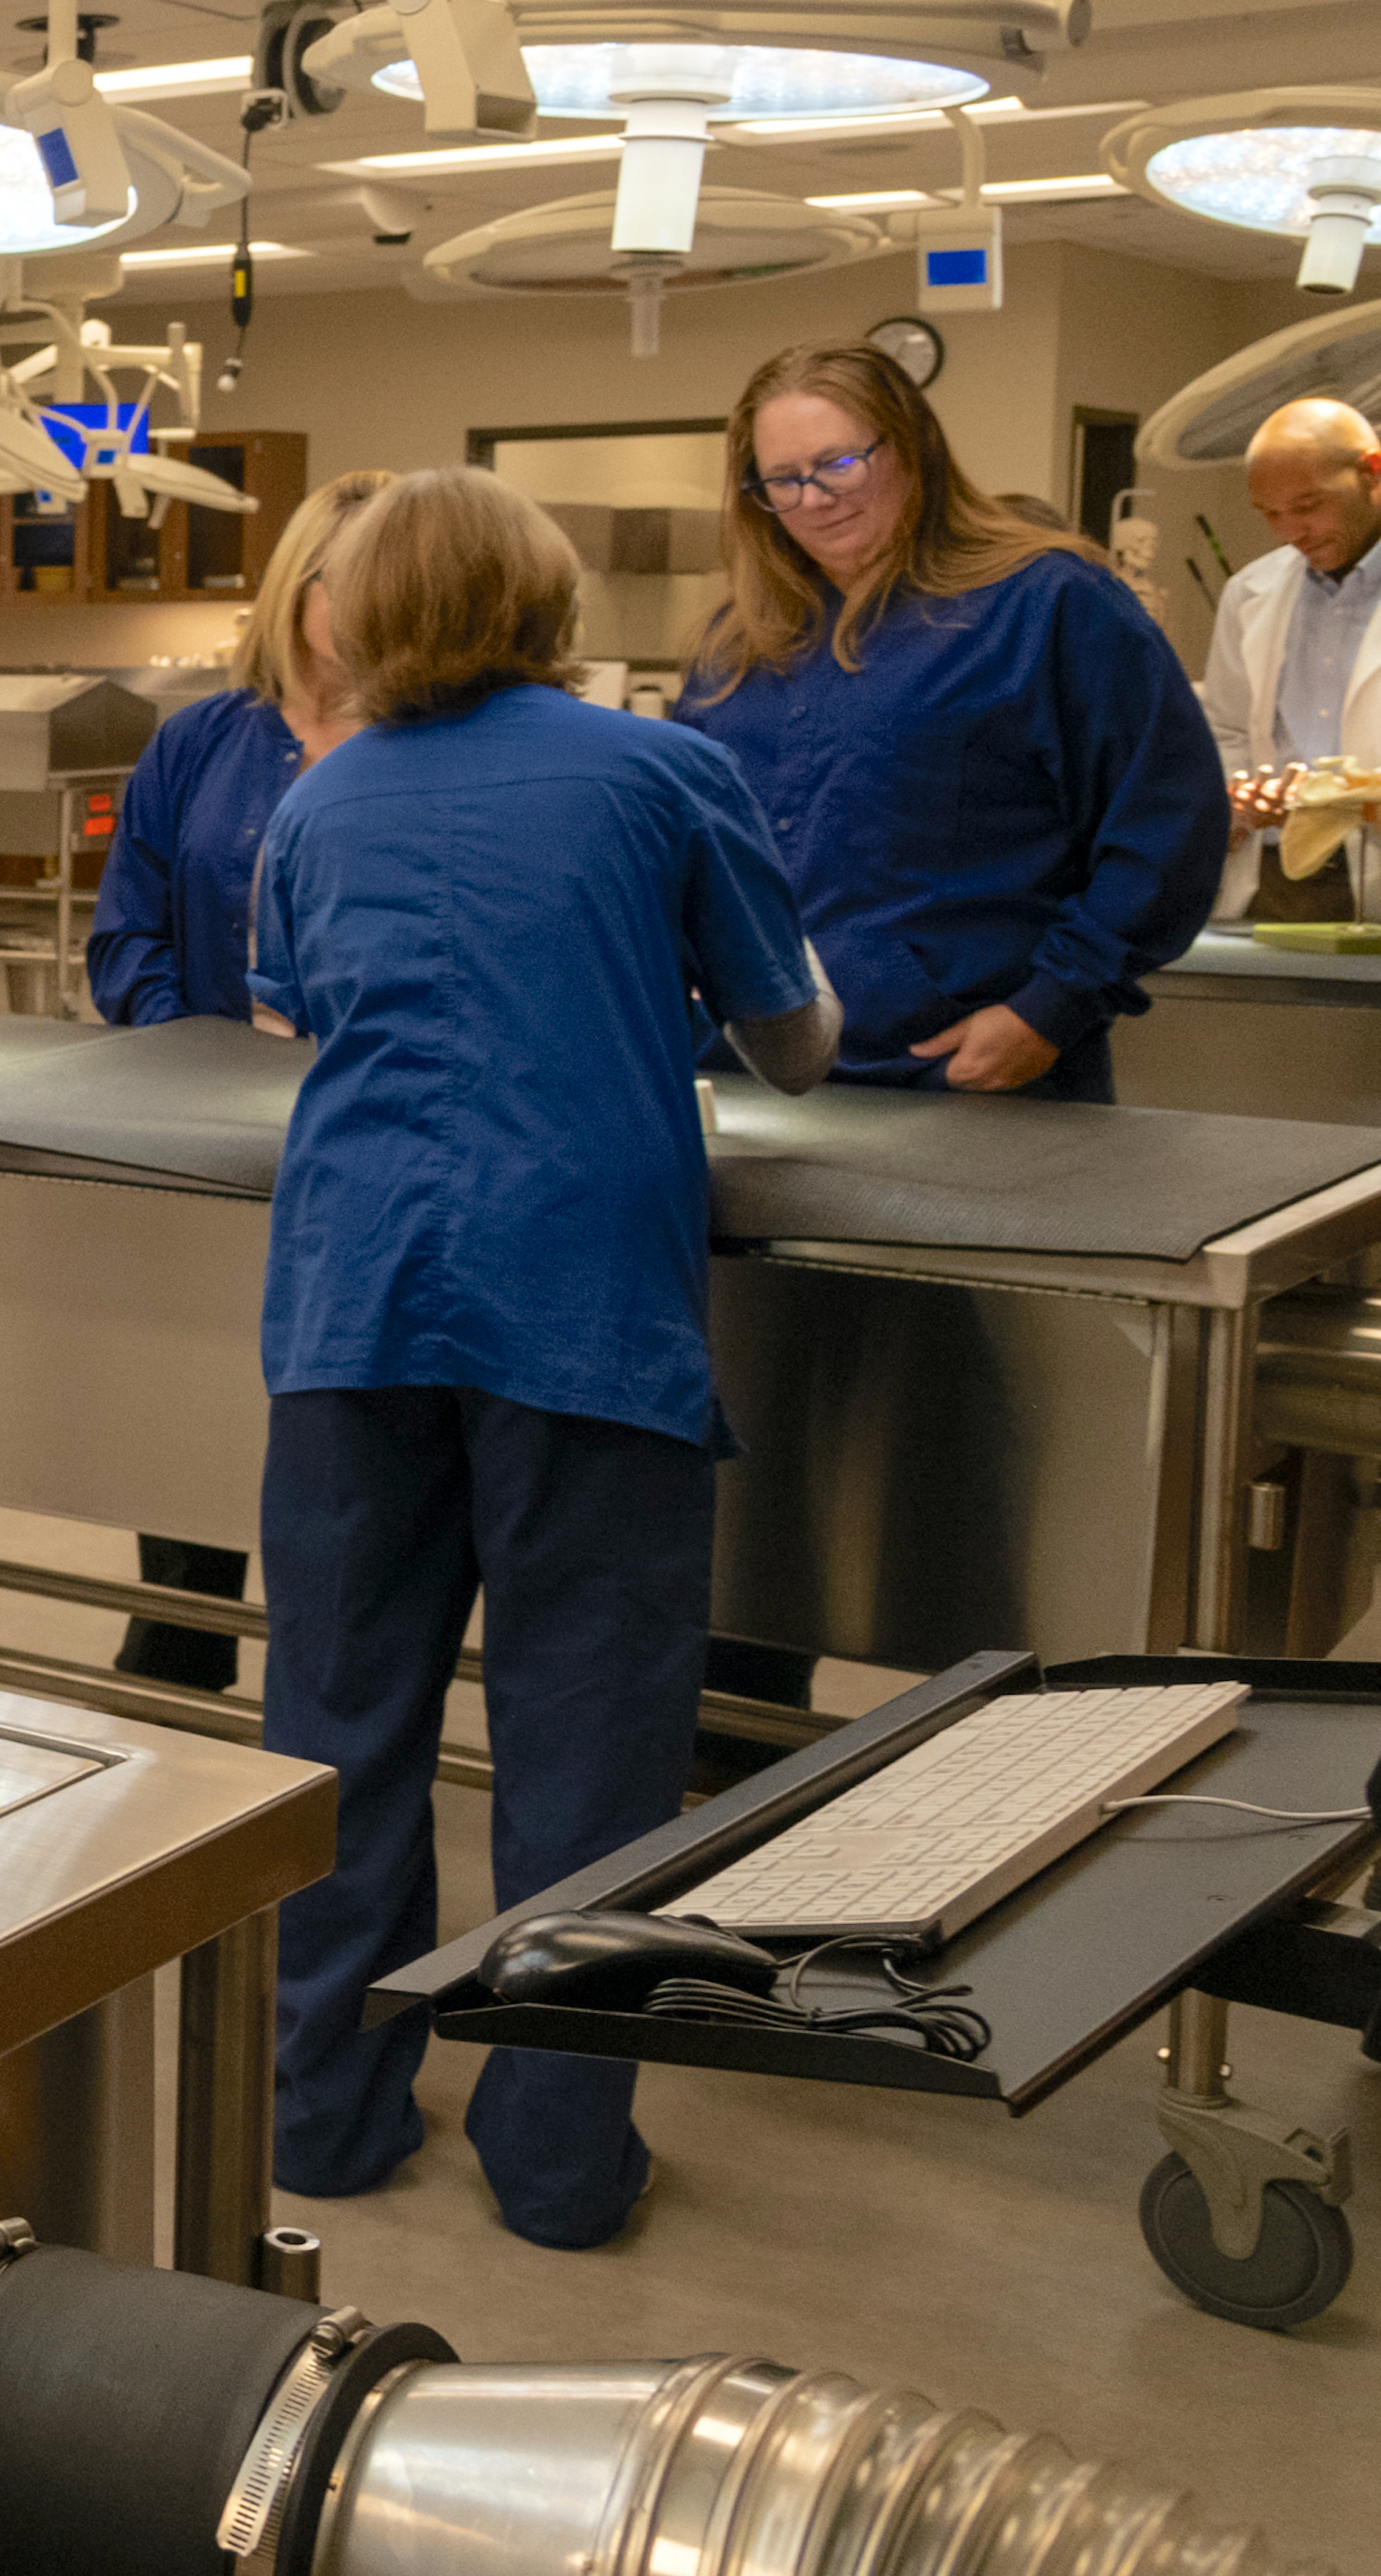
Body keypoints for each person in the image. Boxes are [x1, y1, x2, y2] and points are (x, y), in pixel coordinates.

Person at [244, 469, 837, 2251]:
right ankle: (560, 2166)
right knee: (586, 1744)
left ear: (358, 616)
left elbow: (297, 1006)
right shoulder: (659, 773)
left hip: (354, 1302)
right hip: (579, 1304)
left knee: (339, 1726)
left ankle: (323, 2120)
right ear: (545, 602)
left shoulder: (321, 800)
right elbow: (795, 1043)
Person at [674, 339, 1224, 1101]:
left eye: (839, 465)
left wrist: (1054, 1006)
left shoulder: (1048, 603)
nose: (814, 499)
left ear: (914, 449)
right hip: (751, 1073)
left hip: (961, 1073)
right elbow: (692, 842)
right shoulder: (736, 644)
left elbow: (1167, 825)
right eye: (783, 480)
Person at [81, 465, 389, 1691]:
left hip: (372, 1138)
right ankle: (178, 1656)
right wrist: (203, 1064)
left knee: (342, 1435)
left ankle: (329, 1692)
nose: (372, 609)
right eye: (347, 583)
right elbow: (126, 937)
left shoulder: (433, 745)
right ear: (294, 588)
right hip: (206, 1142)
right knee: (187, 1405)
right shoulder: (202, 742)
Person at [1203, 398, 1381, 924]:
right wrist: (1241, 799)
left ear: (1372, 471)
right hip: (1278, 875)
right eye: (1271, 514)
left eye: (1308, 506)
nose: (1292, 532)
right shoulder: (1250, 591)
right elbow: (1228, 729)